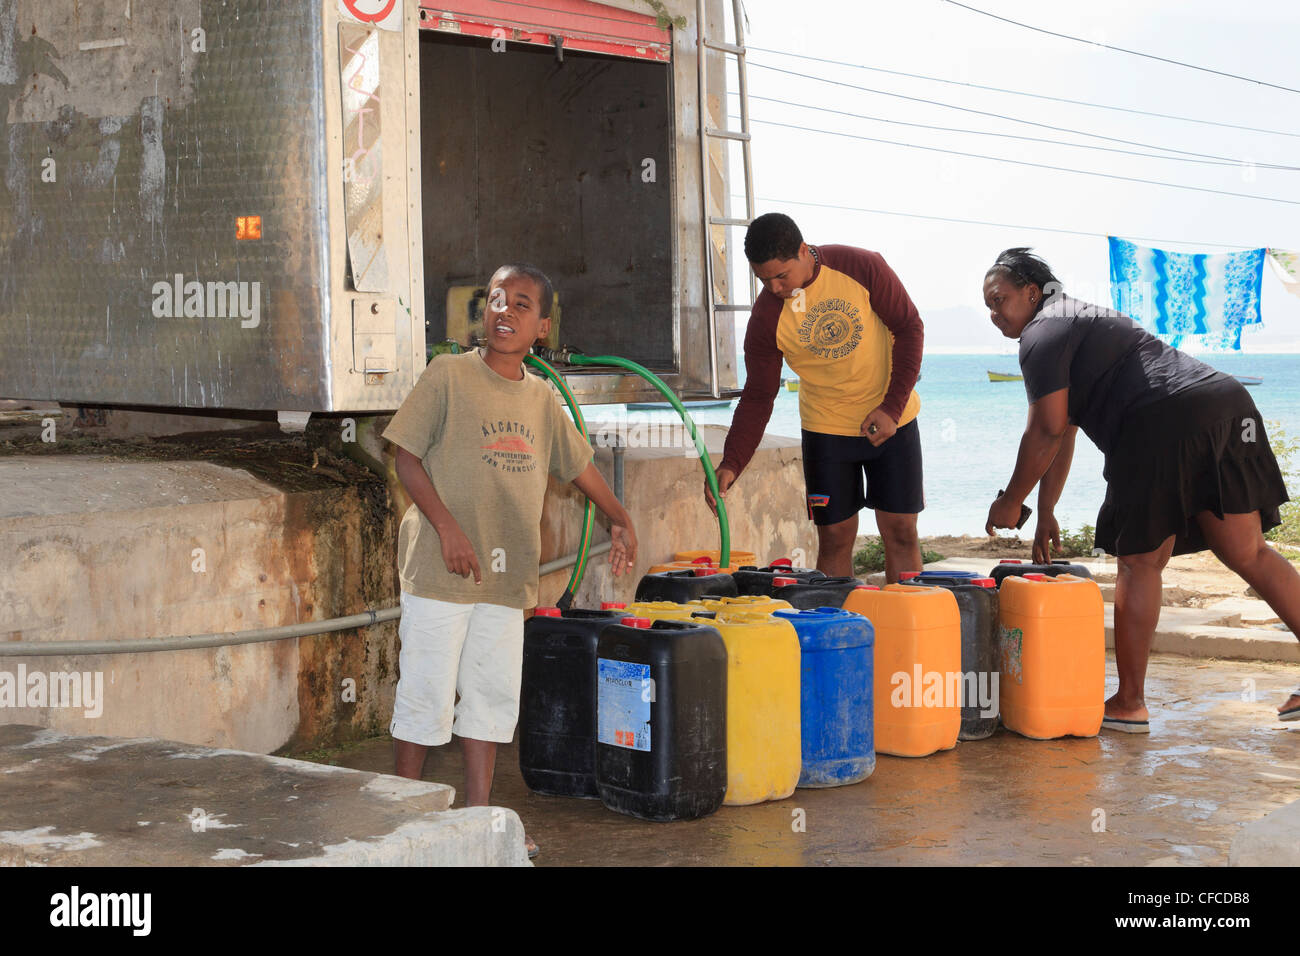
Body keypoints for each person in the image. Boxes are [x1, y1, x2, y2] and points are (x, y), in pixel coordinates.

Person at [982, 247, 1300, 731]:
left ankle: (1129, 703)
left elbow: (1045, 430)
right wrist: (1044, 510)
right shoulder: (1080, 319)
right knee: (1250, 552)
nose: (994, 314)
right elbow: (1062, 431)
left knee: (1139, 562)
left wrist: (1010, 501)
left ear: (1031, 293)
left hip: (1160, 421)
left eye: (999, 300)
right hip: (1225, 403)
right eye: (987, 305)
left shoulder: (1041, 333)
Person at [382, 262, 637, 857]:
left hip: (507, 579)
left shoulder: (544, 399)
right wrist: (446, 528)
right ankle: (395, 819)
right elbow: (406, 459)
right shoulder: (447, 375)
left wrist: (620, 518)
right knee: (424, 693)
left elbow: (578, 468)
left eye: (522, 304)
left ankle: (476, 818)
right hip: (439, 575)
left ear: (541, 327)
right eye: (497, 299)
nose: (505, 311)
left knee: (491, 699)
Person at [706, 213, 926, 582]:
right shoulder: (765, 320)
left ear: (804, 252)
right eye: (763, 279)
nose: (774, 288)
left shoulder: (861, 266)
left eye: (781, 275)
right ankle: (837, 630)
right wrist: (732, 461)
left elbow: (909, 328)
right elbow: (759, 396)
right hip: (826, 430)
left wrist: (892, 407)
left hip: (893, 420)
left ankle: (908, 628)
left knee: (901, 529)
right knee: (835, 538)